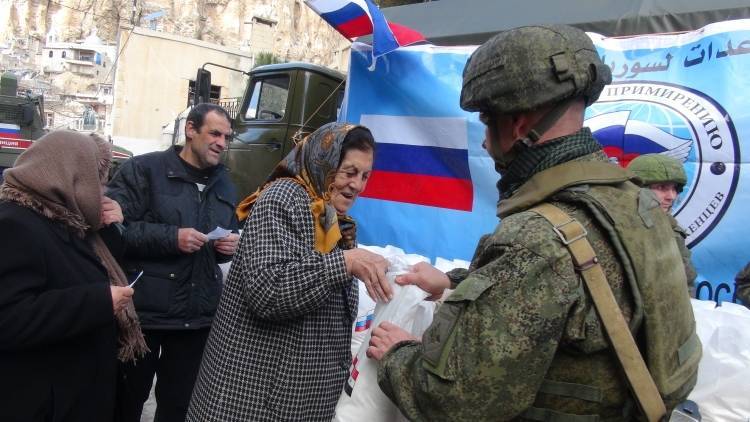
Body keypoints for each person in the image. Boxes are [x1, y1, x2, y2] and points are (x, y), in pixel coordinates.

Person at [368, 24, 700, 421]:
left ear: (521, 125)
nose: (485, 143)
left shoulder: (537, 239)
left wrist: (398, 353)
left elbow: (455, 402)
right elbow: (577, 302)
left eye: (489, 122)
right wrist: (452, 283)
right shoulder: (636, 204)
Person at [186, 122, 390, 422]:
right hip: (252, 400)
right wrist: (345, 263)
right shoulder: (283, 198)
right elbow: (268, 291)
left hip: (290, 398)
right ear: (325, 161)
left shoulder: (331, 218)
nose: (357, 185)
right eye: (349, 171)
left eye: (365, 176)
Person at [0, 130, 146, 422]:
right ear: (71, 174)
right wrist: (99, 302)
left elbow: (99, 264)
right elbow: (9, 318)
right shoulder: (14, 224)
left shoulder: (67, 220)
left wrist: (110, 225)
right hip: (44, 402)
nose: (100, 190)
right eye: (96, 179)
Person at [107, 103, 240, 422]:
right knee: (126, 402)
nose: (222, 143)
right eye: (215, 133)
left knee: (179, 408)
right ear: (190, 130)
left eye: (227, 137)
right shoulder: (144, 170)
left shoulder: (225, 184)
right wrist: (172, 238)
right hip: (145, 317)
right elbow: (115, 231)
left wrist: (228, 246)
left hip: (196, 319)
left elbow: (227, 234)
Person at [628, 153, 697, 294]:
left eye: (675, 189)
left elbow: (686, 284)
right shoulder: (622, 231)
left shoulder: (673, 231)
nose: (671, 196)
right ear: (636, 188)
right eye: (662, 187)